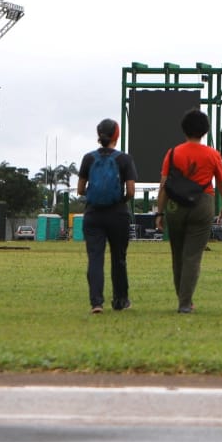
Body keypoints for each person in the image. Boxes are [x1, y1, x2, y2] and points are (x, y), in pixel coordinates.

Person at [155, 108, 222, 315]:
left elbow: (163, 185)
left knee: (177, 254)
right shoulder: (213, 154)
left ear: (184, 129)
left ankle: (183, 298)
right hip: (203, 203)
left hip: (175, 205)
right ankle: (185, 303)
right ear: (205, 131)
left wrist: (159, 213)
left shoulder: (172, 153)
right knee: (193, 256)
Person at [77, 118, 137, 314]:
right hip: (117, 214)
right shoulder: (124, 159)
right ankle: (120, 300)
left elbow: (80, 189)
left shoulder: (88, 158)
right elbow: (131, 190)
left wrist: (94, 196)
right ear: (116, 135)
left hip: (93, 214)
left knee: (95, 258)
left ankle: (96, 303)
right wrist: (120, 199)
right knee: (118, 258)